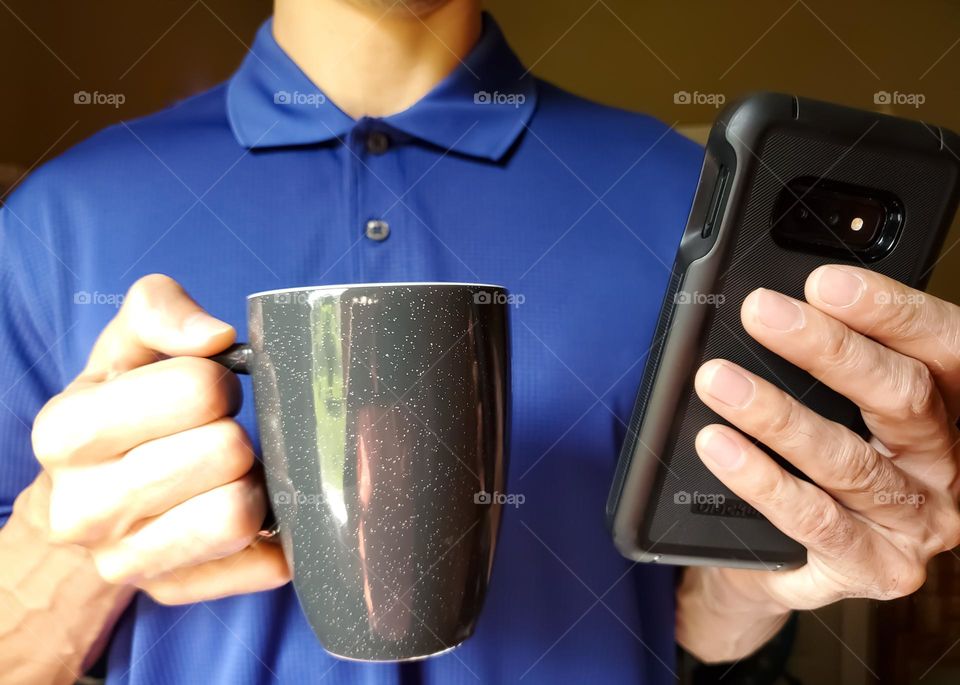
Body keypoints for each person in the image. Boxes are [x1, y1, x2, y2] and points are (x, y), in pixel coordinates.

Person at [2, 0, 959, 683]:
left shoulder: (687, 203)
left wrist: (757, 592)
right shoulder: (55, 217)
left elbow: (697, 627)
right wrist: (64, 549)